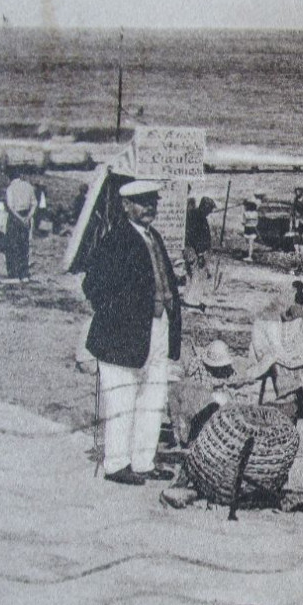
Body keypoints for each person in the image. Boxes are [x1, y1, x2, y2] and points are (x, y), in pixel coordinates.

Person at [82, 178, 183, 486]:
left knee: (153, 396)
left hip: (158, 327)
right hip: (123, 335)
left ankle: (143, 460)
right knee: (121, 399)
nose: (149, 207)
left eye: (153, 201)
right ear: (126, 206)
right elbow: (92, 286)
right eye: (142, 201)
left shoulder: (154, 237)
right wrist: (120, 316)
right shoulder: (116, 239)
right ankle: (116, 464)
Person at [3, 173, 35, 282]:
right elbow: (34, 203)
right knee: (24, 245)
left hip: (15, 218)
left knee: (12, 245)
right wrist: (28, 217)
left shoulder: (10, 188)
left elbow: (11, 207)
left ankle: (14, 274)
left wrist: (20, 218)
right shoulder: (29, 186)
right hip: (27, 216)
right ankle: (24, 274)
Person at [185, 196, 215, 273]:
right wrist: (200, 254)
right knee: (194, 270)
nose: (210, 212)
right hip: (193, 250)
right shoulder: (196, 217)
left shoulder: (201, 217)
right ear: (205, 207)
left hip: (199, 251)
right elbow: (194, 237)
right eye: (210, 210)